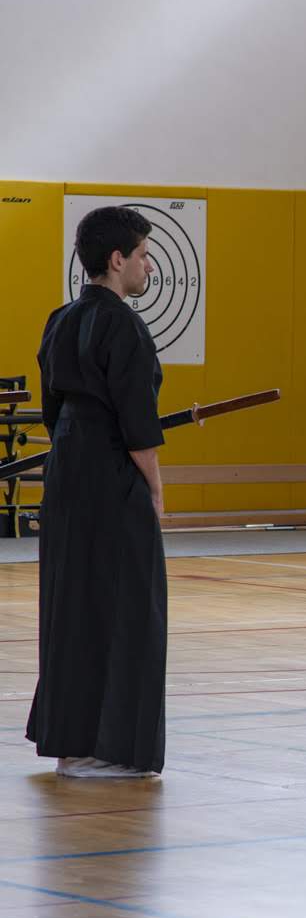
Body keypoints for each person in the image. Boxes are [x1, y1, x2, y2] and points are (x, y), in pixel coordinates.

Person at [29, 207, 166, 779]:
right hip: (112, 476)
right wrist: (155, 490)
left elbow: (54, 410)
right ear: (117, 260)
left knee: (72, 604)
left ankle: (71, 743)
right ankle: (106, 749)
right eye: (141, 255)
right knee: (128, 607)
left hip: (65, 473)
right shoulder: (126, 327)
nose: (148, 266)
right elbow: (137, 424)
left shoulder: (59, 319)